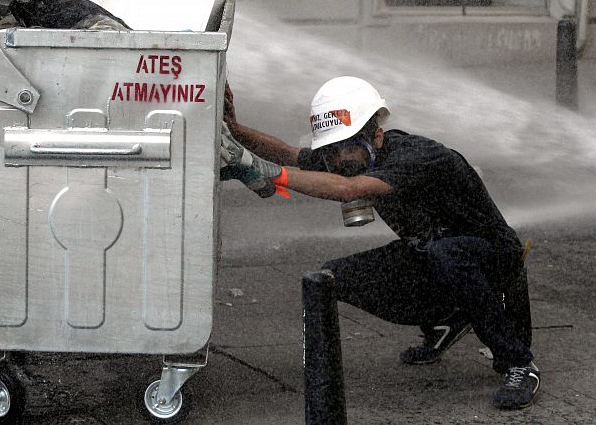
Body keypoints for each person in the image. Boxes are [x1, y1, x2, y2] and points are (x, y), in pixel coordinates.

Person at [220, 76, 539, 410]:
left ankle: (519, 363)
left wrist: (265, 171)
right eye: (331, 151)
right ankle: (447, 319)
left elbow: (349, 190)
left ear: (377, 136)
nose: (340, 161)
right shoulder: (341, 157)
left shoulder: (416, 156)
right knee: (330, 279)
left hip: (494, 262)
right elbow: (287, 153)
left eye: (348, 147)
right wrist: (234, 129)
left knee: (446, 253)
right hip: (435, 259)